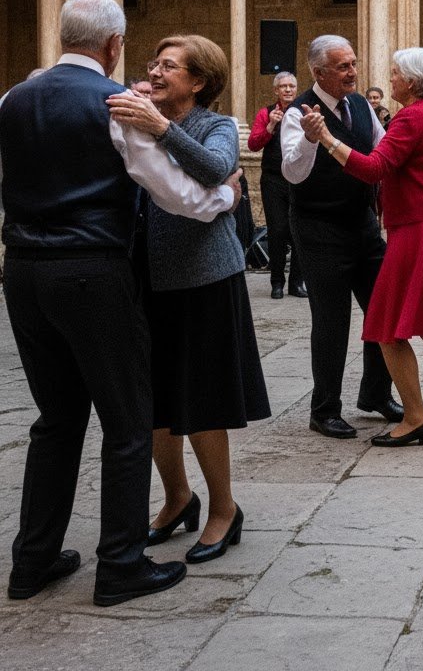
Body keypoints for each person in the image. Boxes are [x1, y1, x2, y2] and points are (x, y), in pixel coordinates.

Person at [0, 0, 239, 606]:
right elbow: (175, 195)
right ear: (113, 46)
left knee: (56, 419)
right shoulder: (114, 106)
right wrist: (227, 200)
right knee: (129, 422)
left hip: (24, 274)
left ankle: (32, 561)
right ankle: (121, 566)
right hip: (90, 272)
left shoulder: (14, 99)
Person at [107, 35, 271, 564]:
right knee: (152, 400)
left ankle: (224, 508)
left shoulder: (216, 125)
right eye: (154, 63)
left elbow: (214, 168)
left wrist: (161, 128)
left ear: (198, 81)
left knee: (204, 400)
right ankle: (178, 498)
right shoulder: (134, 112)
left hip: (204, 277)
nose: (155, 72)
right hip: (145, 278)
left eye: (169, 66)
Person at [303, 47, 423, 446]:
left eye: (394, 73)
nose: (388, 78)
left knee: (387, 326)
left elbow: (374, 168)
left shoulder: (411, 117)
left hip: (421, 227)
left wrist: (325, 137)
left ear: (410, 82)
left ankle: (415, 417)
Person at [280, 35, 402, 439]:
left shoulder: (362, 106)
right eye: (344, 66)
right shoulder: (299, 113)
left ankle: (375, 394)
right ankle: (324, 408)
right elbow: (292, 173)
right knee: (331, 320)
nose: (353, 72)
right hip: (319, 227)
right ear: (319, 73)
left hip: (362, 222)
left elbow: (382, 153)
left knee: (384, 309)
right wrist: (312, 139)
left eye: (353, 63)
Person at [248, 71, 306, 299]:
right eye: (283, 86)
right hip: (273, 180)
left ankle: (297, 283)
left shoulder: (303, 111)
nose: (288, 90)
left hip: (298, 179)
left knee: (299, 230)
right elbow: (253, 144)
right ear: (276, 90)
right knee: (278, 229)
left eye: (292, 86)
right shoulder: (266, 113)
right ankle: (277, 282)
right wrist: (271, 125)